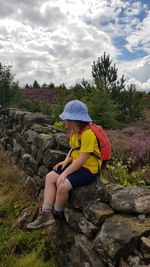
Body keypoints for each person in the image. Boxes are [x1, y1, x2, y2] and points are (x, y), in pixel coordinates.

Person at [27, 100, 102, 230]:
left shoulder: (88, 134)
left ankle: (56, 213)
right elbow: (74, 149)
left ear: (75, 120)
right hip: (76, 164)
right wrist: (66, 161)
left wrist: (65, 173)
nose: (65, 122)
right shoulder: (74, 132)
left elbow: (82, 159)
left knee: (62, 185)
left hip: (89, 169)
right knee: (50, 177)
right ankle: (45, 213)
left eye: (67, 119)